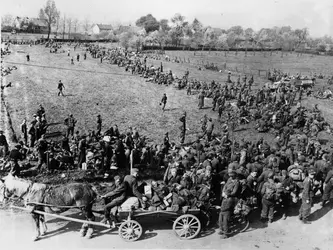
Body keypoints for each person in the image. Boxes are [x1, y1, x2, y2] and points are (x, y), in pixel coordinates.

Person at [219, 169, 240, 239]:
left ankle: (226, 233)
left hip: (230, 199)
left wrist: (228, 195)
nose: (231, 177)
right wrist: (223, 192)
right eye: (230, 176)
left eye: (232, 176)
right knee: (221, 214)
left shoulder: (237, 182)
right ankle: (221, 229)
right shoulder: (229, 179)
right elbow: (225, 186)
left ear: (235, 176)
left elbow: (234, 192)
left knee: (226, 216)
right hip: (225, 197)